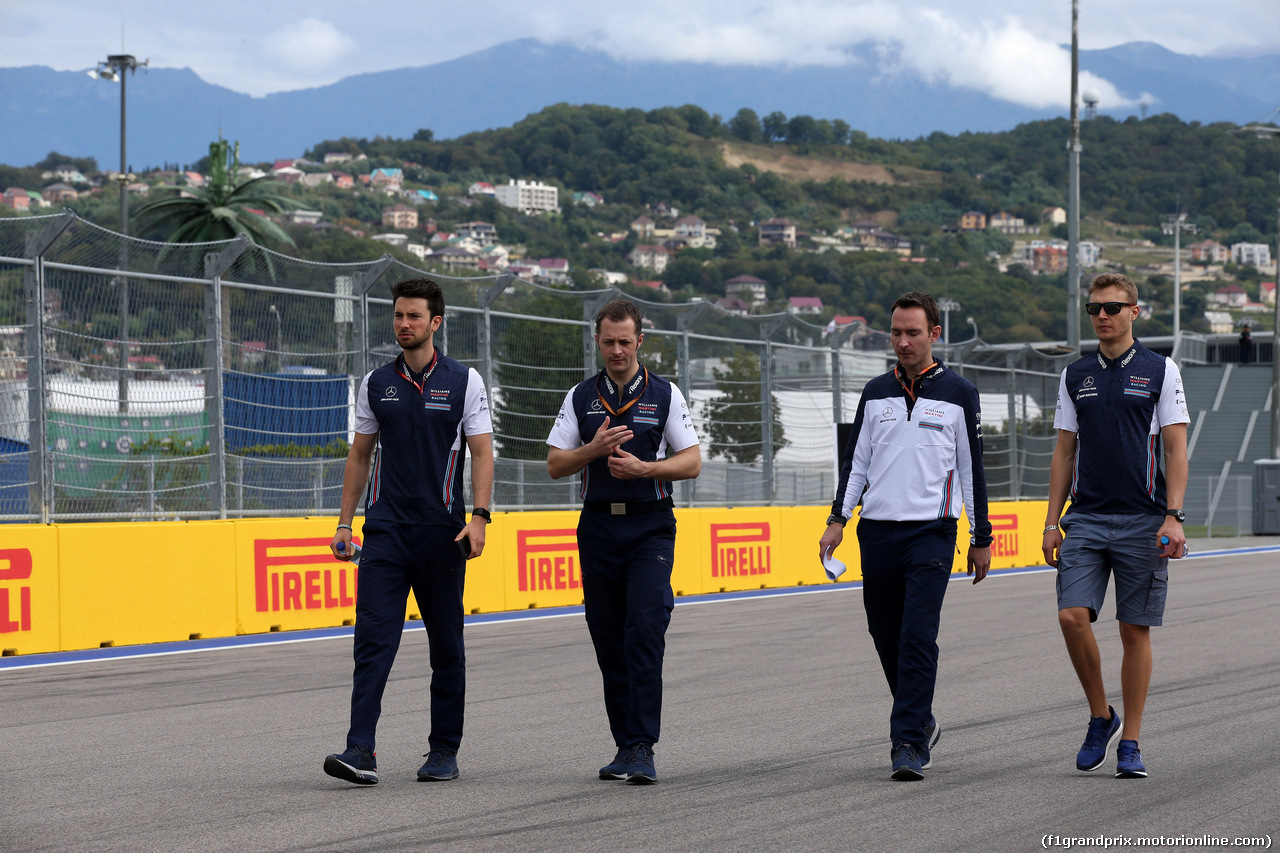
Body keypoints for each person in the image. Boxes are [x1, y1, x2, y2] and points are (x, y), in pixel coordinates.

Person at [323, 277, 494, 786]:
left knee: (447, 647)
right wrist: (343, 523)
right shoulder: (376, 382)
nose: (403, 324)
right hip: (385, 533)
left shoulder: (466, 381)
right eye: (398, 315)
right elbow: (359, 455)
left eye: (413, 316)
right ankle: (360, 750)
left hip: (443, 534)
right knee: (372, 640)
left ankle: (443, 749)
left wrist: (480, 516)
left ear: (435, 322)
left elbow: (482, 452)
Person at [819, 291, 992, 782]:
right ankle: (922, 717)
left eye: (912, 332)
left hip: (932, 534)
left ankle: (908, 742)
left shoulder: (960, 393)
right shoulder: (875, 392)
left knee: (918, 636)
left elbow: (971, 469)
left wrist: (981, 535)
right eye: (896, 332)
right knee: (885, 634)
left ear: (934, 334)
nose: (903, 341)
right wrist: (839, 517)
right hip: (876, 533)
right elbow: (856, 463)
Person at [545, 298, 701, 785]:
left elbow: (692, 461)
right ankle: (623, 745)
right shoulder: (579, 397)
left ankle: (643, 746)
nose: (617, 350)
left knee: (644, 632)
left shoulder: (665, 394)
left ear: (640, 341)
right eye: (608, 341)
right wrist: (592, 449)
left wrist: (646, 469)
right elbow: (553, 463)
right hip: (596, 527)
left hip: (650, 525)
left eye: (625, 341)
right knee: (608, 638)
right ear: (597, 341)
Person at [1042, 273, 1189, 780]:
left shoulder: (1160, 370)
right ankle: (1101, 715)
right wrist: (1050, 522)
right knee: (1070, 617)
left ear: (1134, 312)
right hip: (1083, 518)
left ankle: (1131, 742)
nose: (1101, 316)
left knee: (1134, 630)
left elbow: (1174, 447)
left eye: (1111, 307)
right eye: (1094, 309)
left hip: (1145, 519)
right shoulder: (1074, 374)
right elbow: (1064, 452)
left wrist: (1174, 515)